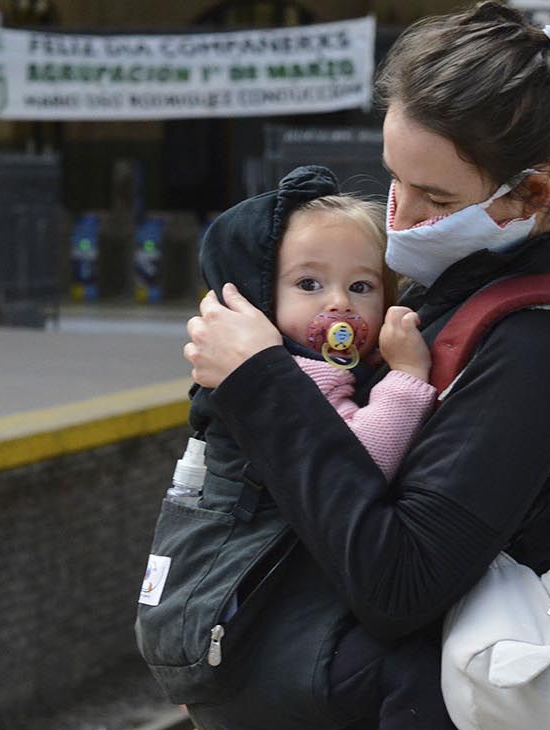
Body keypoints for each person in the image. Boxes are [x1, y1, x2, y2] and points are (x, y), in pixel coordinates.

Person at [185, 0, 550, 726]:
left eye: (436, 196)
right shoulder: (459, 297)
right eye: (394, 180)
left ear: (531, 194)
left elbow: (400, 584)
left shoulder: (538, 348)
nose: (400, 218)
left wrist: (261, 382)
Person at [174, 165, 453, 729]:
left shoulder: (318, 367)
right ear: (257, 299)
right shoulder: (297, 375)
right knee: (415, 677)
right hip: (264, 620)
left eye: (361, 286)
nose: (339, 306)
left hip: (244, 617)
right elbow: (358, 463)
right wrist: (409, 377)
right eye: (309, 285)